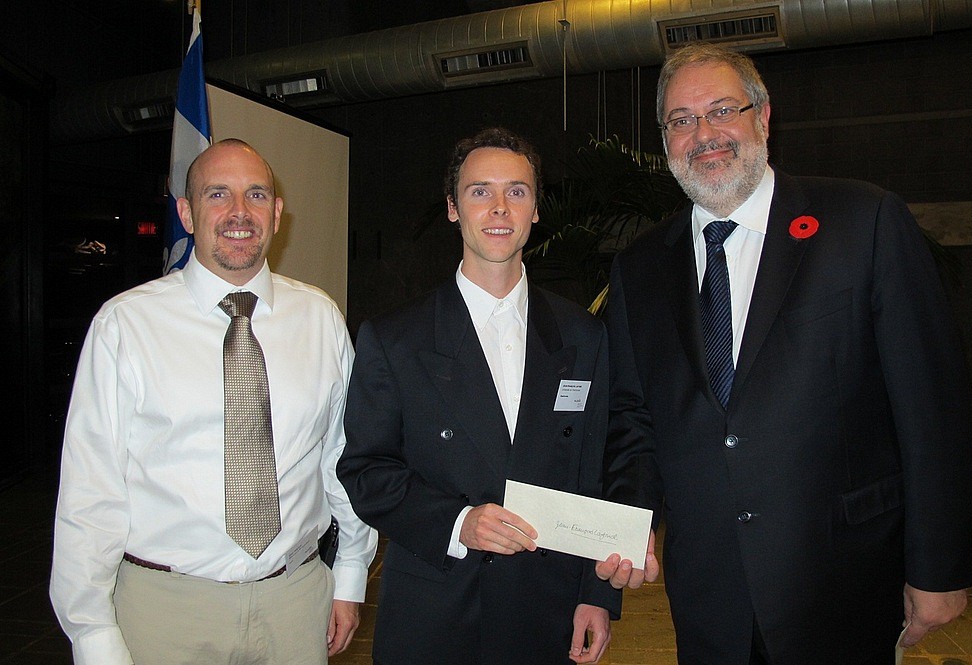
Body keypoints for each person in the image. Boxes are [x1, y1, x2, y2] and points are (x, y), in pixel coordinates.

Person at [596, 44, 972, 664]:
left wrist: (938, 568)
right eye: (682, 120)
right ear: (665, 138)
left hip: (841, 581)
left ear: (763, 117)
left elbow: (933, 408)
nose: (704, 135)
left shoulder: (864, 222)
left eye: (723, 110)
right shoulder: (639, 268)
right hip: (709, 596)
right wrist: (631, 518)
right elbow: (635, 420)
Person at [50, 138, 377, 664]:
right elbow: (91, 491)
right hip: (165, 611)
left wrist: (351, 575)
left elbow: (343, 459)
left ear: (276, 213)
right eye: (218, 194)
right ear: (186, 211)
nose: (239, 213)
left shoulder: (319, 318)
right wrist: (91, 632)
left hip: (295, 602)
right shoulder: (126, 325)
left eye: (256, 195)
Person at [337, 127, 620, 665]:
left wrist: (596, 593)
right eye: (479, 191)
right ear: (452, 208)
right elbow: (365, 470)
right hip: (435, 608)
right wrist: (456, 521)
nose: (499, 208)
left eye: (516, 191)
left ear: (536, 209)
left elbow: (594, 472)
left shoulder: (583, 336)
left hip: (548, 609)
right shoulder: (396, 338)